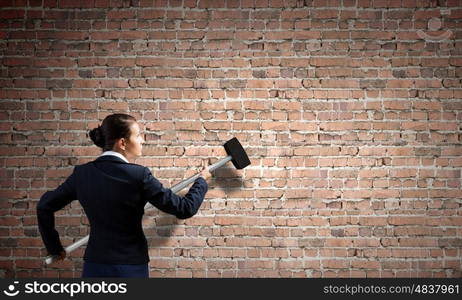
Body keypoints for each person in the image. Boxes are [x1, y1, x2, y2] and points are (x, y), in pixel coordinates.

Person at [36, 113, 211, 278]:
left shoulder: (82, 174)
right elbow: (185, 208)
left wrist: (54, 247)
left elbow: (45, 205)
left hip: (95, 266)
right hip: (130, 267)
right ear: (122, 142)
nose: (142, 141)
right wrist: (201, 181)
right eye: (138, 135)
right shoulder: (139, 175)